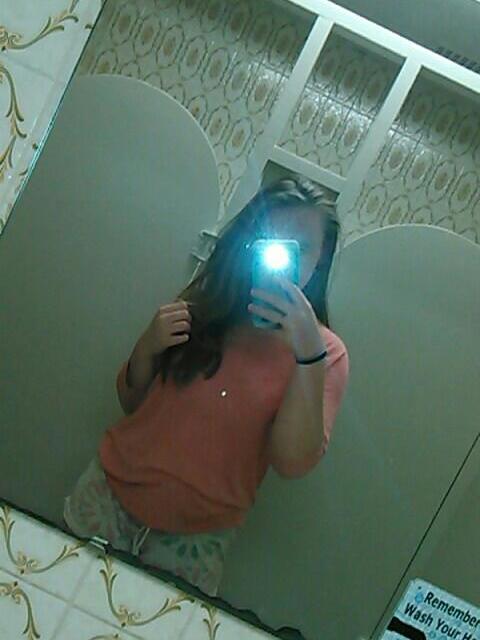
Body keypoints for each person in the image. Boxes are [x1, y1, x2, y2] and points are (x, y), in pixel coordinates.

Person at [63, 175, 350, 596]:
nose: (281, 254)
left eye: (300, 247)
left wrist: (308, 355)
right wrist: (147, 346)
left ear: (320, 259)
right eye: (270, 238)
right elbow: (131, 403)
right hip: (106, 499)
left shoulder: (324, 352)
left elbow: (292, 463)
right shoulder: (208, 301)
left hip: (194, 543)